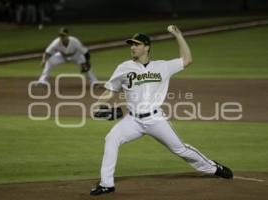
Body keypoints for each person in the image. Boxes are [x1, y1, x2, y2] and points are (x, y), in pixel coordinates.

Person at [90, 25, 233, 196]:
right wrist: (97, 103)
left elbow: (187, 60)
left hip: (155, 119)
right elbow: (111, 90)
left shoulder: (162, 66)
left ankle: (213, 167)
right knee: (111, 138)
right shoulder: (124, 68)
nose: (132, 47)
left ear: (147, 47)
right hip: (132, 120)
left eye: (136, 44)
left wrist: (178, 35)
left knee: (180, 149)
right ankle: (107, 183)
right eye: (131, 44)